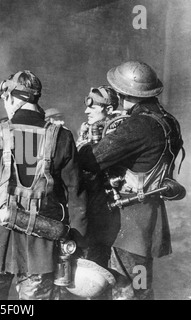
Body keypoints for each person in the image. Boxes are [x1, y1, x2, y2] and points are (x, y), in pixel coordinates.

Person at [0, 70, 87, 300]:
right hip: (41, 246)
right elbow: (76, 195)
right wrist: (78, 242)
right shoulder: (63, 137)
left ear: (11, 97)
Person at [78, 61, 185, 300]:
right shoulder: (168, 121)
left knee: (126, 288)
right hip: (148, 214)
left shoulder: (139, 125)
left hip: (125, 220)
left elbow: (91, 160)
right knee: (141, 285)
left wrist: (84, 145)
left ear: (124, 93)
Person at [74, 86, 121, 299]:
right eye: (87, 105)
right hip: (85, 201)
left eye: (94, 106)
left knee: (98, 261)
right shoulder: (87, 128)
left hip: (104, 204)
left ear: (109, 109)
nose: (87, 111)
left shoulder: (117, 130)